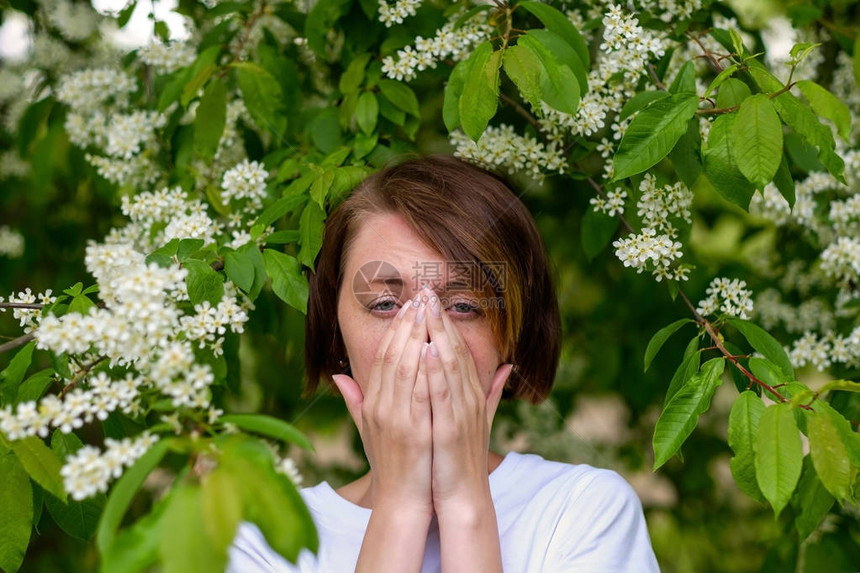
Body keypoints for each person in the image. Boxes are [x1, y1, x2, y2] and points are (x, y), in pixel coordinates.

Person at [228, 155, 660, 572]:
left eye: (463, 306)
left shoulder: (583, 513)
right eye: (383, 303)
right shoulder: (263, 543)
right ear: (335, 329)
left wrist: (464, 504)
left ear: (512, 336)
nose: (427, 339)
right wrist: (399, 507)